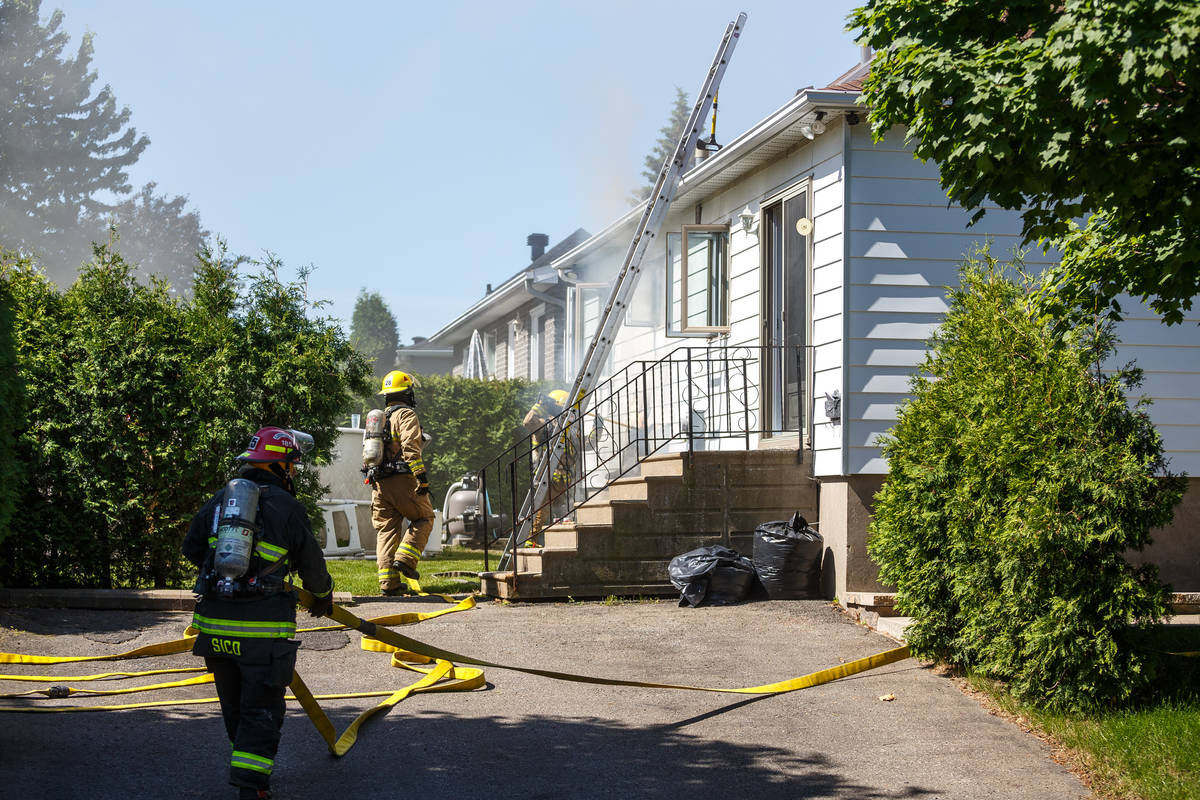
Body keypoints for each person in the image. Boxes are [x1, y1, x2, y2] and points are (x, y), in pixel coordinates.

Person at [183, 426, 335, 800]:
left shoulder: (221, 500)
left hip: (215, 631)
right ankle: (251, 787)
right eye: (292, 466)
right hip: (263, 634)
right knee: (262, 710)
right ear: (279, 466)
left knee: (235, 707)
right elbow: (313, 567)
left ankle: (245, 764)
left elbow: (191, 548)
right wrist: (323, 595)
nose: (294, 474)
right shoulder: (287, 507)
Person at [365, 370, 435, 595]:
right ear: (406, 392)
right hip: (403, 481)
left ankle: (389, 584)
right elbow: (410, 448)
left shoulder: (378, 419)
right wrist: (421, 477)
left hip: (379, 484)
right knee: (424, 517)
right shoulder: (405, 415)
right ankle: (406, 560)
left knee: (386, 532)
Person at [522, 389, 575, 544]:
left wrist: (597, 429)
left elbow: (584, 444)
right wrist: (538, 406)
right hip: (547, 477)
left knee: (566, 517)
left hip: (565, 482)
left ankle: (563, 544)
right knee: (541, 512)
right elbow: (528, 422)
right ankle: (530, 541)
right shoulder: (545, 425)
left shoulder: (568, 428)